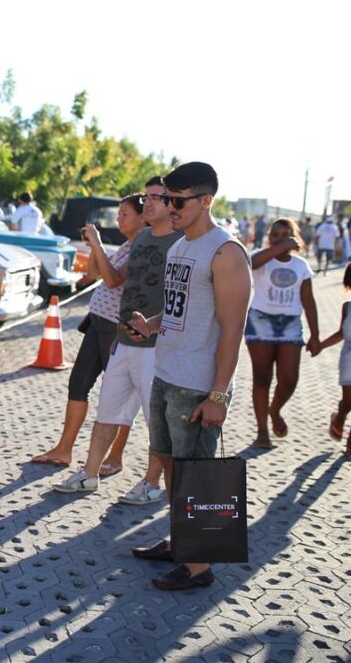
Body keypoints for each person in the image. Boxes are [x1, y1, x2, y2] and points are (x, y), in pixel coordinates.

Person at [126, 161, 251, 591]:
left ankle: (199, 567)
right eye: (162, 199)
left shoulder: (226, 252)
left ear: (205, 201)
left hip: (198, 383)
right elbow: (180, 310)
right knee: (170, 465)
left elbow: (233, 327)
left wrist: (217, 395)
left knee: (197, 474)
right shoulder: (180, 247)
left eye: (177, 201)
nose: (168, 207)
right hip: (166, 371)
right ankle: (181, 540)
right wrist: (151, 324)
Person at [51, 177, 181, 503]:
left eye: (155, 198)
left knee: (156, 421)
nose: (147, 203)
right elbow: (116, 281)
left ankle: (152, 483)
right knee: (107, 410)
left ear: (171, 204)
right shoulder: (144, 237)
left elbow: (187, 302)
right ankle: (89, 474)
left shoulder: (182, 243)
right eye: (147, 197)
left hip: (156, 346)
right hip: (123, 340)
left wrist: (154, 327)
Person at [31, 194, 145, 469]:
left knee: (119, 394)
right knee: (78, 384)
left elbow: (114, 279)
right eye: (118, 214)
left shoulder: (143, 246)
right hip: (98, 321)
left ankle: (114, 456)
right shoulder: (127, 244)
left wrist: (97, 243)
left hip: (116, 327)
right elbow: (94, 273)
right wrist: (96, 246)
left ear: (143, 218)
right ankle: (64, 449)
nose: (119, 219)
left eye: (125, 215)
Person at [244, 218, 319, 449]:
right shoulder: (261, 257)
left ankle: (274, 410)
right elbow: (252, 263)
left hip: (290, 325)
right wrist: (280, 246)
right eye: (275, 234)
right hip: (261, 321)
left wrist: (315, 336)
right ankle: (262, 431)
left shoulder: (300, 265)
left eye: (286, 234)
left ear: (295, 236)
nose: (280, 238)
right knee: (262, 378)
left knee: (289, 379)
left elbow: (308, 300)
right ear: (270, 237)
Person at [313, 263, 351, 456]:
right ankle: (339, 417)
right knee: (348, 400)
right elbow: (341, 333)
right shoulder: (348, 307)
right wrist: (320, 345)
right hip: (349, 359)